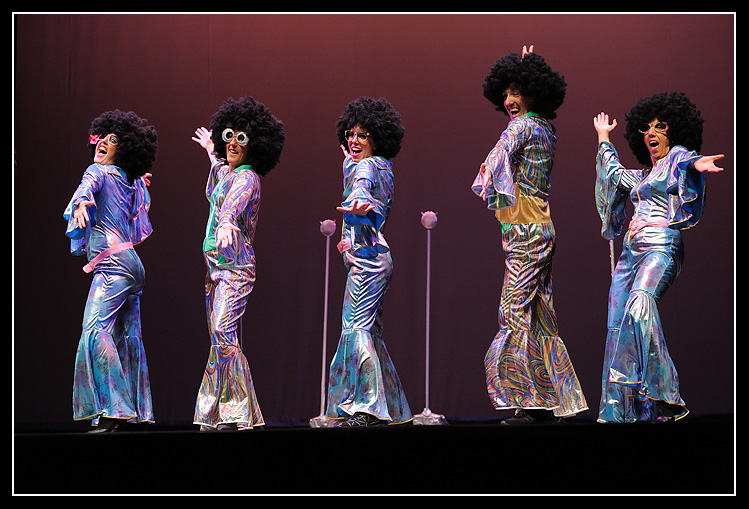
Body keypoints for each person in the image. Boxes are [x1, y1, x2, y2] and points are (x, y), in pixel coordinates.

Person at [472, 46, 587, 425]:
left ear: (534, 94)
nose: (509, 101)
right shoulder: (546, 129)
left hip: (526, 231)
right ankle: (551, 402)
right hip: (538, 228)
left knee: (513, 311)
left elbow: (500, 152)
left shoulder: (521, 127)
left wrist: (487, 175)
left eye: (517, 92)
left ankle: (527, 399)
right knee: (540, 315)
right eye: (505, 94)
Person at [593, 92, 724, 423]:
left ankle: (666, 396)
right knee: (616, 324)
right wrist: (604, 137)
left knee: (640, 304)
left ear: (673, 131)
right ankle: (621, 412)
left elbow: (686, 160)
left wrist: (697, 164)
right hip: (630, 255)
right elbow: (613, 173)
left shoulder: (675, 158)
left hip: (660, 246)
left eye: (660, 126)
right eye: (646, 128)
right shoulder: (642, 178)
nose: (651, 133)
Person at [191, 96, 285, 431]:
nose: (232, 143)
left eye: (241, 138)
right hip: (215, 268)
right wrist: (211, 150)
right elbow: (220, 175)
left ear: (254, 145)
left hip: (235, 269)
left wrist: (228, 222)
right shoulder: (228, 172)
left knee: (222, 330)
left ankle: (237, 412)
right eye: (228, 135)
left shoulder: (247, 178)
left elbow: (233, 202)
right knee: (220, 339)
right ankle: (226, 413)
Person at [64, 109, 158, 432]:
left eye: (113, 140)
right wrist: (139, 181)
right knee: (128, 338)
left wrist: (80, 204)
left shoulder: (98, 172)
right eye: (102, 137)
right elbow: (136, 207)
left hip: (112, 264)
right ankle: (136, 411)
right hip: (132, 265)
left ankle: (115, 409)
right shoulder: (130, 181)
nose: (103, 142)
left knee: (95, 330)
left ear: (125, 149)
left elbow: (86, 187)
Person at [325, 96, 412, 427]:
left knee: (356, 330)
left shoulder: (366, 168)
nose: (354, 140)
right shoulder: (383, 166)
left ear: (377, 137)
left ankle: (368, 408)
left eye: (362, 135)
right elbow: (357, 173)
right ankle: (394, 409)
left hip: (367, 264)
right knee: (370, 333)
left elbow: (361, 185)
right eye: (350, 134)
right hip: (376, 259)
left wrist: (360, 200)